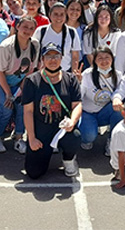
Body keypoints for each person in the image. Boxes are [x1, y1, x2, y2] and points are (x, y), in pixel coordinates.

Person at [22, 43, 82, 179]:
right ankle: (46, 151)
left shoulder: (70, 79)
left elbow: (77, 105)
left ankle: (68, 159)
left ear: (61, 58)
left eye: (56, 56)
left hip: (62, 128)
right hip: (42, 129)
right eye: (48, 56)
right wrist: (31, 138)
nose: (52, 60)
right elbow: (28, 111)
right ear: (42, 59)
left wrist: (72, 122)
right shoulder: (32, 80)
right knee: (34, 172)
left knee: (75, 136)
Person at [0, 16, 39, 154]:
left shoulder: (35, 44)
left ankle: (18, 137)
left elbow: (30, 70)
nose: (28, 31)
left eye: (31, 28)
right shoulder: (7, 46)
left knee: (22, 105)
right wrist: (8, 94)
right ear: (17, 27)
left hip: (14, 78)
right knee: (6, 108)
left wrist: (22, 90)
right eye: (25, 27)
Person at [75, 46, 123, 154]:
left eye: (107, 57)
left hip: (104, 112)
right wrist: (78, 83)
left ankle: (112, 141)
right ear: (95, 61)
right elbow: (79, 97)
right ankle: (87, 133)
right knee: (89, 136)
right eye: (100, 58)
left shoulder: (118, 75)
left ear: (112, 59)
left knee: (120, 108)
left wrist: (116, 98)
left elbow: (120, 92)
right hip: (88, 112)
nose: (104, 61)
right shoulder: (87, 74)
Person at [33, 3, 81, 72]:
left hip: (65, 72)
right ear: (49, 15)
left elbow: (75, 56)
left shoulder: (71, 32)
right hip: (44, 73)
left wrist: (74, 74)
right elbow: (34, 52)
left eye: (62, 14)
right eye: (55, 14)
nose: (59, 17)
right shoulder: (41, 31)